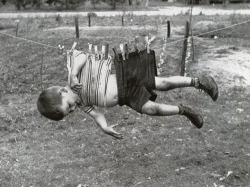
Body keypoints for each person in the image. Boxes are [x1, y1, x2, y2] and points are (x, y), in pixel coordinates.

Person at [37, 48, 218, 139]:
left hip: (126, 75)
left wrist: (74, 73)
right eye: (70, 112)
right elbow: (97, 114)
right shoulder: (82, 102)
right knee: (151, 109)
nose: (73, 109)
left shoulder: (73, 78)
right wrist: (104, 127)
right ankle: (185, 111)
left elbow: (81, 54)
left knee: (163, 83)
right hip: (126, 96)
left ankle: (199, 82)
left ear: (62, 92)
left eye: (68, 106)